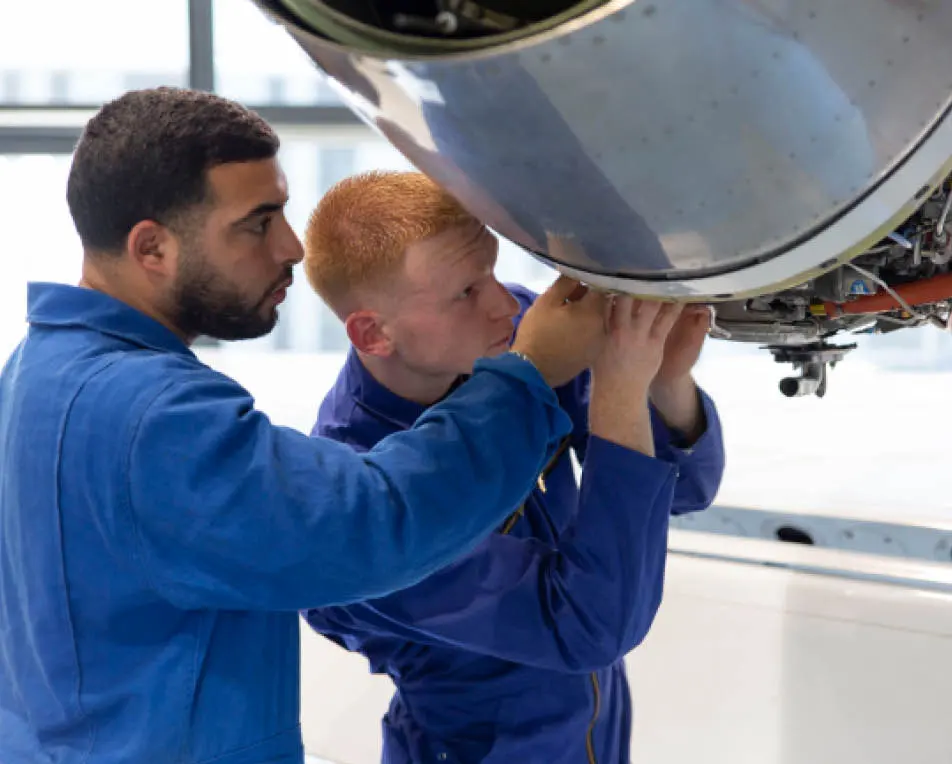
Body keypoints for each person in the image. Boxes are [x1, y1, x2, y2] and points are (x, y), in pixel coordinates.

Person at [0, 88, 612, 764]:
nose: (292, 247)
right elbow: (370, 524)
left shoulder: (38, 369)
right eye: (258, 223)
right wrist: (528, 382)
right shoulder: (153, 417)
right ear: (152, 248)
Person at [301, 171, 726, 764]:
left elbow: (685, 488)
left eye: (493, 272)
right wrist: (620, 387)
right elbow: (589, 626)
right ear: (374, 333)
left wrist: (666, 382)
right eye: (466, 293)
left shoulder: (506, 339)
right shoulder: (354, 507)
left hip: (598, 734)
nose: (505, 303)